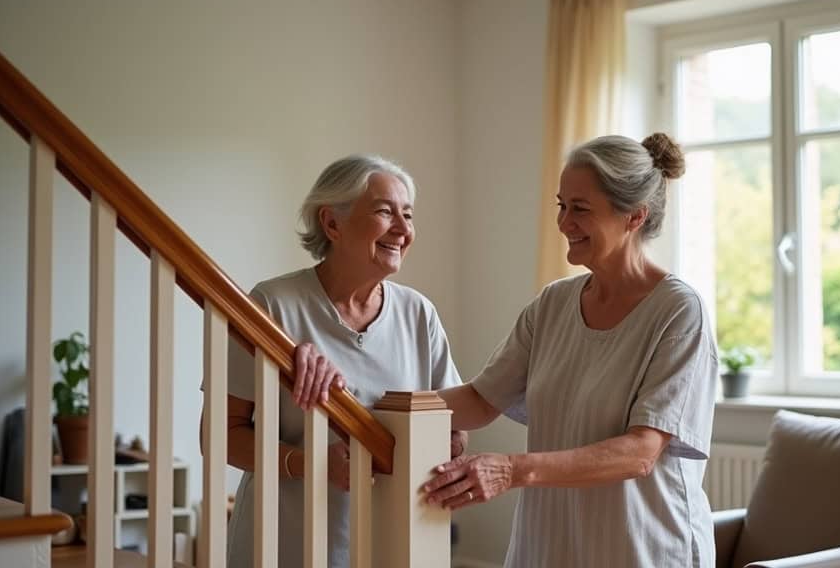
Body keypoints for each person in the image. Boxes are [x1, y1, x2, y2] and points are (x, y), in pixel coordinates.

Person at [424, 133, 719, 567]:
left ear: (634, 217)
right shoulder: (552, 305)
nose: (563, 223)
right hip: (551, 546)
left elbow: (640, 452)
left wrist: (511, 469)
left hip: (643, 550)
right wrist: (374, 409)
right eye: (562, 206)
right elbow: (478, 400)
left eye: (580, 209)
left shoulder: (678, 311)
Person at [214, 155, 464, 568]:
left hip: (391, 545)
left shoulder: (419, 314)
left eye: (408, 215)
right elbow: (219, 433)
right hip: (284, 546)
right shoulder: (273, 305)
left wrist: (451, 446)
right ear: (331, 224)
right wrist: (311, 465)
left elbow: (455, 424)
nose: (403, 230)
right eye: (386, 212)